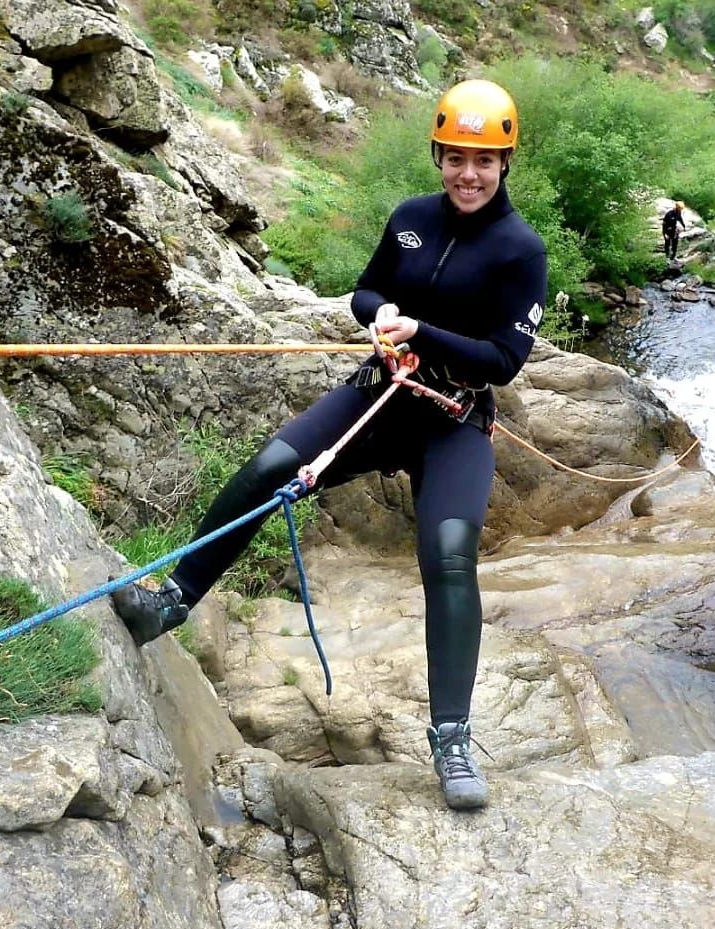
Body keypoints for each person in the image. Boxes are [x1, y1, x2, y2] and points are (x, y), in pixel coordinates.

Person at [109, 79, 548, 811]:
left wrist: (422, 332)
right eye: (455, 158)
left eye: (483, 161)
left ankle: (452, 739)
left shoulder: (520, 250)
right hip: (379, 396)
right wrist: (382, 316)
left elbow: (504, 359)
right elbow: (366, 290)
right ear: (438, 155)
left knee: (449, 553)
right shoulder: (411, 219)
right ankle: (172, 602)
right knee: (270, 467)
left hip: (452, 419)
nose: (468, 174)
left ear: (505, 163)